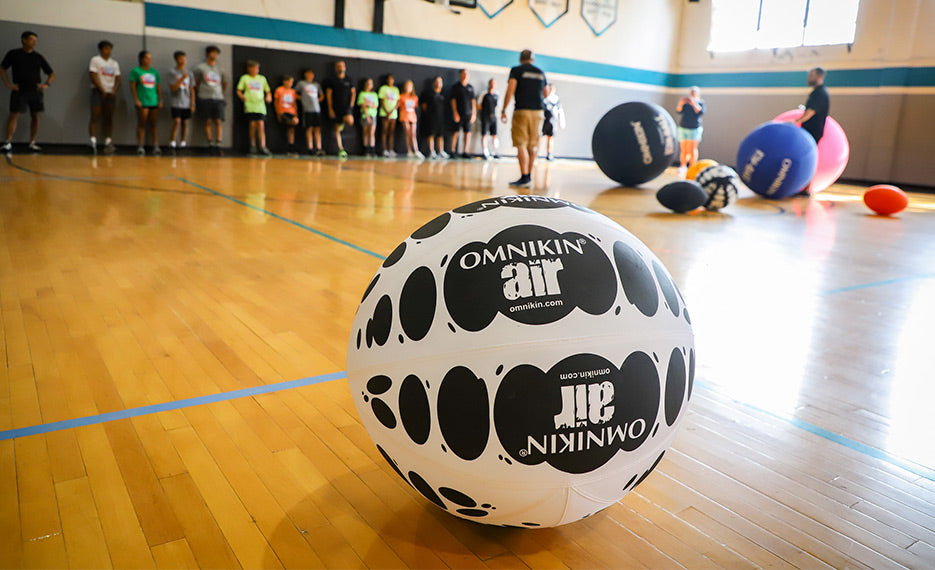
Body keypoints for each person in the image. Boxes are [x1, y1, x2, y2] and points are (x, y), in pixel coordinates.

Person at [1, 31, 55, 154]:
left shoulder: (38, 57)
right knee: (14, 115)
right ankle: (8, 142)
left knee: (35, 116)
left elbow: (51, 73)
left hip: (35, 90)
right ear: (24, 40)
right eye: (32, 40)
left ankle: (32, 142)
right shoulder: (14, 54)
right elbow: (2, 68)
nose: (34, 42)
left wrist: (46, 84)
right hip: (20, 89)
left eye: (35, 40)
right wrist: (7, 83)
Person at [501, 49, 547, 187]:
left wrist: (504, 109)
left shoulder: (516, 70)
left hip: (522, 111)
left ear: (520, 59)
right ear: (532, 60)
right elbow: (545, 93)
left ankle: (524, 177)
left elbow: (510, 89)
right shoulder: (540, 72)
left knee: (521, 143)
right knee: (533, 145)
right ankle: (529, 177)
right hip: (538, 112)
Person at [194, 45, 228, 154]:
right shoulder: (201, 68)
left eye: (216, 53)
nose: (215, 55)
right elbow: (196, 83)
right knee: (207, 120)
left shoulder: (220, 69)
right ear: (208, 54)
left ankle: (218, 143)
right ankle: (210, 143)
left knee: (218, 121)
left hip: (218, 97)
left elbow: (224, 83)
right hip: (205, 97)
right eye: (213, 53)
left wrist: (220, 92)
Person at [88, 40, 119, 155]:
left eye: (110, 49)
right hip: (98, 91)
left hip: (110, 93)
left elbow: (118, 78)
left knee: (109, 117)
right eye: (106, 48)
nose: (108, 51)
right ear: (101, 49)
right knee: (95, 116)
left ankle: (108, 141)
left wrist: (114, 90)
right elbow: (93, 75)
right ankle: (92, 141)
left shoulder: (114, 63)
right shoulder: (95, 60)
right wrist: (101, 89)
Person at [129, 50, 162, 156]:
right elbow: (133, 86)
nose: (149, 60)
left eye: (150, 58)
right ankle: (140, 145)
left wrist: (160, 100)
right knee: (141, 123)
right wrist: (136, 100)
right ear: (141, 59)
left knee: (153, 124)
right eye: (147, 58)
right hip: (142, 101)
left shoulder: (154, 72)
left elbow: (158, 87)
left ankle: (155, 145)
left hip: (153, 101)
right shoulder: (136, 71)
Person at [236, 60, 272, 156]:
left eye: (257, 68)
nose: (255, 70)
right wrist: (242, 96)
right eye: (253, 68)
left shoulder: (262, 78)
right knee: (252, 124)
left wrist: (269, 96)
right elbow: (239, 90)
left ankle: (263, 146)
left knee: (260, 124)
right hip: (250, 105)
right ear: (249, 69)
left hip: (260, 106)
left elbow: (268, 90)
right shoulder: (245, 78)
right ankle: (253, 145)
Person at [324, 60, 355, 159]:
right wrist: (330, 108)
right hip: (336, 108)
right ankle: (341, 149)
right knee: (336, 129)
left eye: (342, 66)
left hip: (346, 108)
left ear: (345, 68)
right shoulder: (332, 80)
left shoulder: (349, 79)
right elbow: (328, 94)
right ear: (336, 68)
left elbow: (353, 93)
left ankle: (343, 123)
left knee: (350, 121)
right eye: (338, 66)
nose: (340, 68)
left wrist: (351, 105)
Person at [167, 50, 195, 152]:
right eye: (180, 58)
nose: (183, 60)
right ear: (176, 60)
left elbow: (192, 89)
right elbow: (172, 87)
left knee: (185, 122)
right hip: (176, 100)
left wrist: (192, 103)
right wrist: (181, 79)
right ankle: (172, 142)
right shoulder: (172, 72)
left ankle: (183, 142)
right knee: (177, 121)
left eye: (184, 58)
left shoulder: (189, 73)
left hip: (186, 102)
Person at [795, 67, 830, 144]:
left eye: (811, 76)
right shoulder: (816, 92)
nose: (808, 78)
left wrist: (796, 121)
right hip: (809, 131)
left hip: (813, 132)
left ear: (819, 76)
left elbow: (811, 111)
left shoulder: (820, 93)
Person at [675, 86, 704, 175]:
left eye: (694, 92)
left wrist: (693, 103)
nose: (692, 94)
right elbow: (679, 111)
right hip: (683, 127)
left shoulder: (700, 102)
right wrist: (681, 103)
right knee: (684, 149)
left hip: (694, 128)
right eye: (691, 92)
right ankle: (683, 166)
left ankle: (692, 167)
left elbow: (699, 112)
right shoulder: (685, 102)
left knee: (692, 149)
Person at [295, 68, 324, 155]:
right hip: (307, 109)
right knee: (309, 128)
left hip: (317, 109)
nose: (309, 76)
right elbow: (294, 93)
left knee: (317, 128)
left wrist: (317, 100)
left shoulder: (316, 85)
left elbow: (322, 95)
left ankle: (318, 148)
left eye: (311, 74)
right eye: (308, 74)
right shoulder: (302, 83)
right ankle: (310, 148)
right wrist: (302, 99)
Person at [449, 69, 476, 158]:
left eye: (466, 74)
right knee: (455, 132)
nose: (465, 75)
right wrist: (455, 112)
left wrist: (474, 114)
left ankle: (465, 151)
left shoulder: (470, 87)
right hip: (459, 113)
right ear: (460, 75)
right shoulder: (456, 87)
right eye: (463, 74)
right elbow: (453, 100)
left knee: (467, 132)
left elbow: (473, 101)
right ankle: (452, 151)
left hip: (468, 114)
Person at [421, 76, 447, 159]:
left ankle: (441, 151)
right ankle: (431, 151)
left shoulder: (443, 93)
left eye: (440, 82)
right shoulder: (429, 93)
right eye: (437, 81)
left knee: (440, 135)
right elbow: (424, 105)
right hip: (431, 117)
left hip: (441, 117)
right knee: (431, 134)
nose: (439, 83)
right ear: (434, 83)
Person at [274, 75, 300, 156]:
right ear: (284, 82)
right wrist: (278, 113)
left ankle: (291, 148)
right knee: (287, 126)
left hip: (291, 112)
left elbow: (294, 103)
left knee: (291, 129)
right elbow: (276, 102)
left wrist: (296, 114)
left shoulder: (292, 91)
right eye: (289, 82)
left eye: (291, 82)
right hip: (283, 112)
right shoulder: (279, 90)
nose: (290, 83)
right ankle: (285, 148)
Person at [398, 79, 422, 158]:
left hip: (412, 117)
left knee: (413, 134)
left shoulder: (414, 97)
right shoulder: (401, 96)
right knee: (408, 133)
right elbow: (398, 105)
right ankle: (409, 150)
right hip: (404, 116)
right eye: (407, 86)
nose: (408, 88)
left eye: (410, 86)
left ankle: (416, 150)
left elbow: (415, 106)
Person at [541, 83, 565, 161]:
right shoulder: (544, 98)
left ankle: (549, 154)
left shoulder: (556, 99)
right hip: (544, 120)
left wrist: (562, 122)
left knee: (550, 138)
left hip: (553, 121)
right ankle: (535, 152)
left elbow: (560, 111)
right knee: (540, 137)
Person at [378, 74, 399, 157]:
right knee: (384, 131)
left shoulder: (396, 89)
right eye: (389, 79)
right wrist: (387, 111)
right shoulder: (383, 88)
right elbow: (381, 100)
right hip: (384, 113)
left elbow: (398, 102)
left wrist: (392, 111)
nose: (390, 81)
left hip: (393, 114)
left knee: (391, 132)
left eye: (392, 79)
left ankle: (391, 149)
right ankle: (384, 150)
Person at [357, 78, 378, 156]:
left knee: (372, 132)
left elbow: (376, 105)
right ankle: (365, 149)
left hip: (373, 115)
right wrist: (367, 116)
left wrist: (369, 105)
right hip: (365, 115)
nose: (369, 85)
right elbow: (363, 105)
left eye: (371, 83)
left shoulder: (374, 94)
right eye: (368, 83)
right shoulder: (362, 94)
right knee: (365, 132)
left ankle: (372, 149)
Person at [479, 78, 499, 160]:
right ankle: (485, 152)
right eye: (491, 83)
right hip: (485, 116)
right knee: (484, 134)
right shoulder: (484, 94)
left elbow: (496, 106)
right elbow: (479, 105)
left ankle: (494, 152)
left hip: (493, 117)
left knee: (494, 134)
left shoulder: (496, 95)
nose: (492, 85)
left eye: (494, 83)